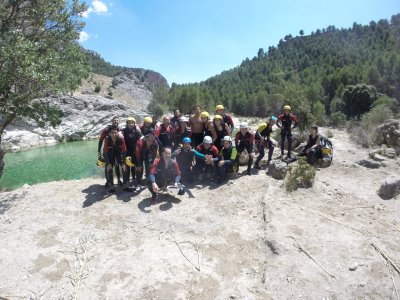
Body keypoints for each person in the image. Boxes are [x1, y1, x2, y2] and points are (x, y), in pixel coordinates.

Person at [98, 116, 123, 187]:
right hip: (107, 151)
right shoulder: (106, 130)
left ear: (119, 122)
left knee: (117, 165)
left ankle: (119, 180)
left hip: (116, 150)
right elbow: (101, 140)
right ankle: (108, 181)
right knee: (108, 166)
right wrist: (99, 150)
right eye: (114, 120)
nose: (116, 121)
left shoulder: (119, 130)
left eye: (117, 120)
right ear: (112, 121)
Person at [103, 126, 127, 193]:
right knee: (109, 169)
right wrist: (108, 163)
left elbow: (124, 151)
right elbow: (105, 151)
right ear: (109, 133)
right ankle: (112, 187)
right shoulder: (107, 139)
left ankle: (124, 185)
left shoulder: (121, 139)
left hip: (119, 154)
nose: (114, 134)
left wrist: (124, 162)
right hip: (110, 155)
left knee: (124, 168)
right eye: (112, 133)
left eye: (115, 133)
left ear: (117, 133)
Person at [122, 117, 142, 191]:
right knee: (126, 168)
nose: (130, 124)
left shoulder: (136, 131)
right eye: (129, 122)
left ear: (134, 123)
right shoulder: (123, 131)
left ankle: (138, 183)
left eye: (132, 123)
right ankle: (126, 183)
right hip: (126, 152)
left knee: (137, 167)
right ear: (127, 124)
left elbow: (141, 139)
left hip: (135, 152)